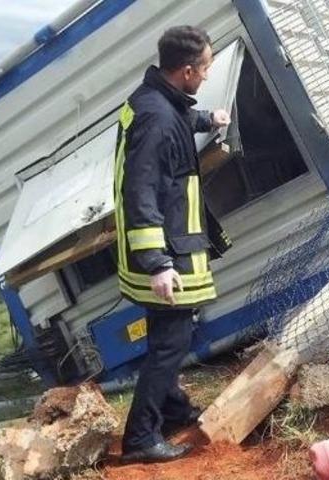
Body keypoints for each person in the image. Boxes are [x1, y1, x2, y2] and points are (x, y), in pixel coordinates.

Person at [113, 25, 232, 464]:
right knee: (169, 346)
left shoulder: (152, 100)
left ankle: (175, 411)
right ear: (186, 71)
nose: (207, 75)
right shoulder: (158, 119)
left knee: (169, 340)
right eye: (205, 68)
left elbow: (177, 124)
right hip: (166, 253)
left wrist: (207, 120)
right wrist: (158, 263)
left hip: (164, 248)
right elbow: (140, 191)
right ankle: (141, 439)